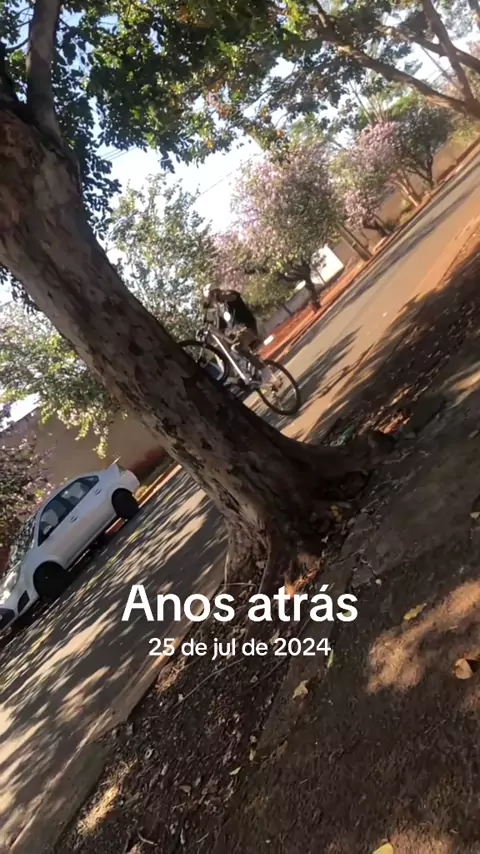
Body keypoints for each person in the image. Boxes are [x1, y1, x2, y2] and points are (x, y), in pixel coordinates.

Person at [202, 286, 271, 383]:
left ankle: (264, 369)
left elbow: (233, 297)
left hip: (248, 328)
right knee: (229, 348)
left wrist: (219, 296)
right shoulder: (221, 309)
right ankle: (250, 373)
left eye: (211, 298)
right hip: (240, 333)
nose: (212, 302)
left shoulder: (228, 295)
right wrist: (207, 332)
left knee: (236, 348)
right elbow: (220, 328)